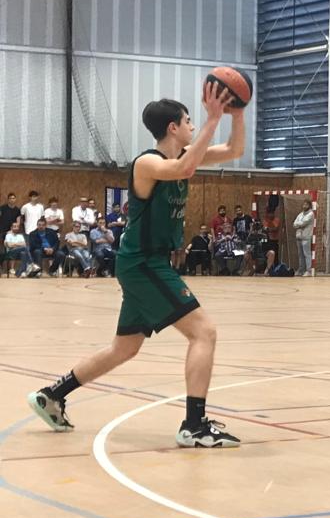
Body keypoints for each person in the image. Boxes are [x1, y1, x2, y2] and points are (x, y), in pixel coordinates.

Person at [27, 83, 246, 448]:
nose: (193, 126)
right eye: (189, 121)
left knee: (124, 348)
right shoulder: (147, 163)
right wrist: (213, 118)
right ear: (173, 127)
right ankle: (194, 426)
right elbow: (183, 168)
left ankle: (52, 394)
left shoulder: (184, 155)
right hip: (144, 262)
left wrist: (235, 115)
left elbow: (234, 150)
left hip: (146, 262)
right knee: (203, 332)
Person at [293, 199, 314, 276]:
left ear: (309, 205)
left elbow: (304, 223)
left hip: (306, 237)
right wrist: (298, 224)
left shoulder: (311, 214)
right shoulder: (300, 214)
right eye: (304, 204)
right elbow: (294, 224)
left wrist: (298, 224)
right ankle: (301, 270)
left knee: (307, 254)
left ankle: (308, 271)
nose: (304, 206)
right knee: (300, 255)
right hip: (299, 237)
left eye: (306, 204)